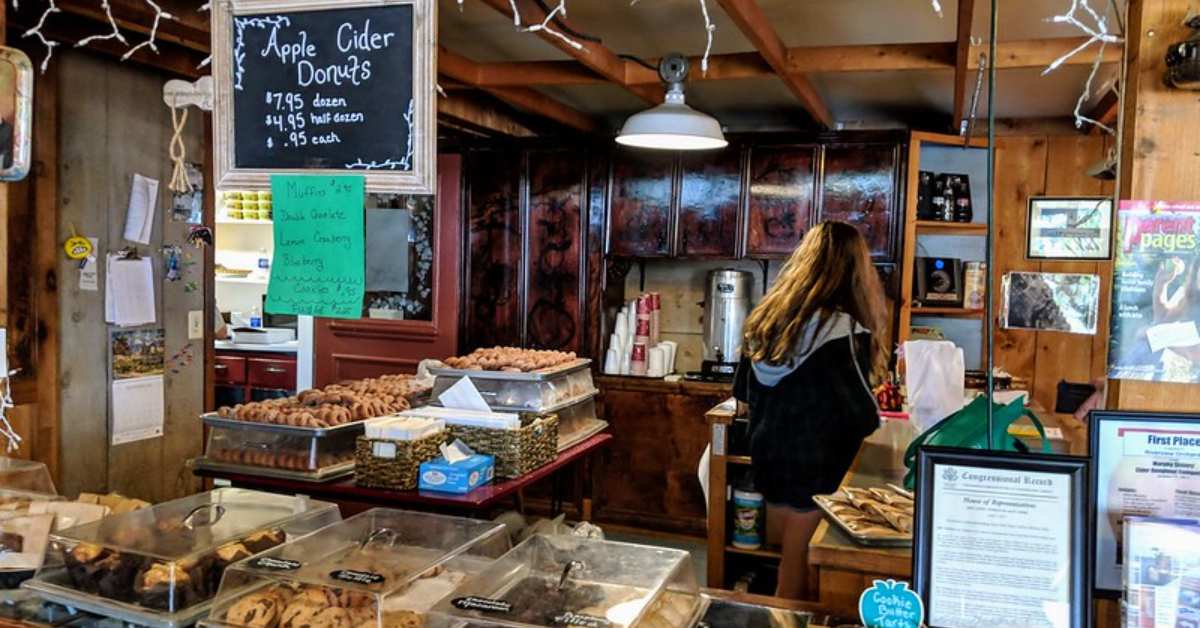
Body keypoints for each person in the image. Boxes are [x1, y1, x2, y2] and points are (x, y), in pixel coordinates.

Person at [733, 221, 886, 600]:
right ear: (854, 272)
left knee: (789, 558)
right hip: (820, 468)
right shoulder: (845, 331)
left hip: (768, 458)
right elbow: (864, 416)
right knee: (799, 568)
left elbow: (742, 393)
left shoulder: (766, 321)